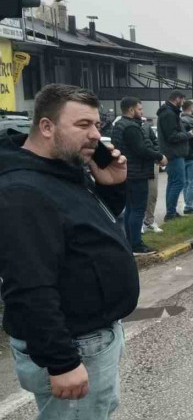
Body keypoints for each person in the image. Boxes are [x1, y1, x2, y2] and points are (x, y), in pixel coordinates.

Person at [0, 84, 139, 419]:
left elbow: (90, 233)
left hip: (92, 335)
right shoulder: (24, 191)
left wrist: (112, 186)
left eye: (96, 125)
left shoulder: (63, 170)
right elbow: (29, 285)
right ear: (46, 127)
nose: (95, 135)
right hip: (74, 343)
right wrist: (62, 362)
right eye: (82, 125)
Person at [111, 97, 167, 254]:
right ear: (131, 110)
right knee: (137, 210)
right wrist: (159, 156)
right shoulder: (131, 127)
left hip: (127, 172)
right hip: (136, 173)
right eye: (140, 109)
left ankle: (131, 242)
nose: (142, 112)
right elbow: (141, 149)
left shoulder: (119, 125)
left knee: (130, 209)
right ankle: (136, 244)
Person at [157, 90, 191, 221]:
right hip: (174, 153)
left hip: (172, 153)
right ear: (177, 99)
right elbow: (172, 136)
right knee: (178, 183)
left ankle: (171, 212)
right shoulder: (169, 113)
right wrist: (188, 135)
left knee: (173, 183)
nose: (183, 103)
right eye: (182, 100)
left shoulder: (169, 112)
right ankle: (170, 213)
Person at [143, 117, 163, 233]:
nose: (141, 112)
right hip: (135, 167)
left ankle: (149, 221)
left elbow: (155, 142)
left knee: (152, 194)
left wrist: (156, 155)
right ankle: (139, 224)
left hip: (151, 164)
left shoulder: (146, 126)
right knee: (137, 197)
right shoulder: (124, 126)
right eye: (139, 109)